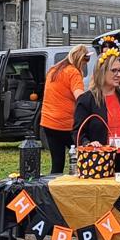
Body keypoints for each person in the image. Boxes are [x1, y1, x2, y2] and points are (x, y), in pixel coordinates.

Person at [72, 54, 120, 173]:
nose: (119, 74)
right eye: (114, 71)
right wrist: (88, 143)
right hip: (100, 161)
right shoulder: (86, 100)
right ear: (102, 72)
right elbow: (78, 132)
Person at [41, 45, 91, 175]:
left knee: (57, 163)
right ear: (81, 59)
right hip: (65, 124)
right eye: (85, 62)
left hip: (48, 122)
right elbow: (80, 97)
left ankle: (52, 190)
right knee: (84, 159)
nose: (85, 66)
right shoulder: (73, 72)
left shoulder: (54, 70)